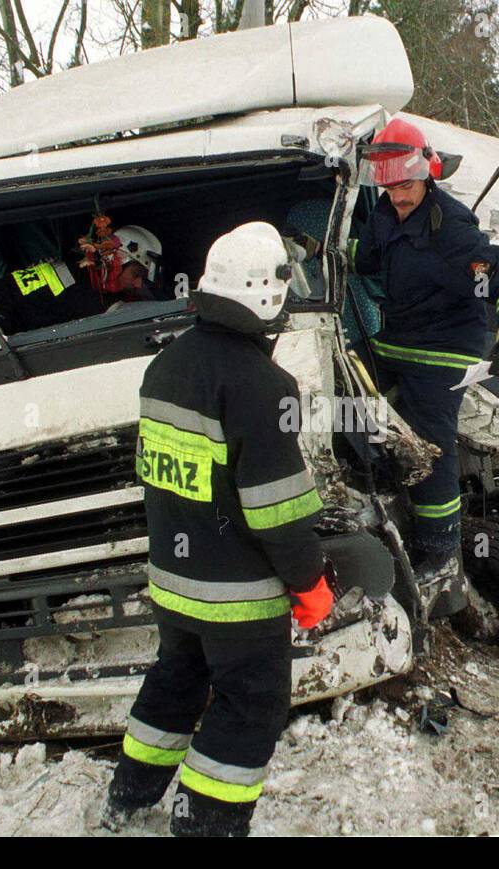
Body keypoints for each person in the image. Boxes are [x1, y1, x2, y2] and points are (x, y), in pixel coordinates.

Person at [102, 221, 334, 837]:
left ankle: (127, 797)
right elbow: (276, 511)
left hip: (175, 584)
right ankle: (204, 822)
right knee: (250, 704)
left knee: (176, 682)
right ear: (268, 295)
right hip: (238, 599)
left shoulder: (165, 366)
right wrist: (310, 583)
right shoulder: (263, 386)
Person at [348, 117, 499, 572]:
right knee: (353, 410)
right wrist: (323, 248)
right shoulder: (385, 215)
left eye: (407, 186)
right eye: (391, 189)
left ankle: (440, 549)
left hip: (445, 348)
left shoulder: (451, 227)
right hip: (397, 341)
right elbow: (365, 255)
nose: (400, 197)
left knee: (431, 444)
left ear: (426, 173)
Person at [0, 224, 166, 340]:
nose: (138, 284)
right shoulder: (77, 286)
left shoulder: (87, 278)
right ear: (117, 260)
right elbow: (126, 316)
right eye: (136, 274)